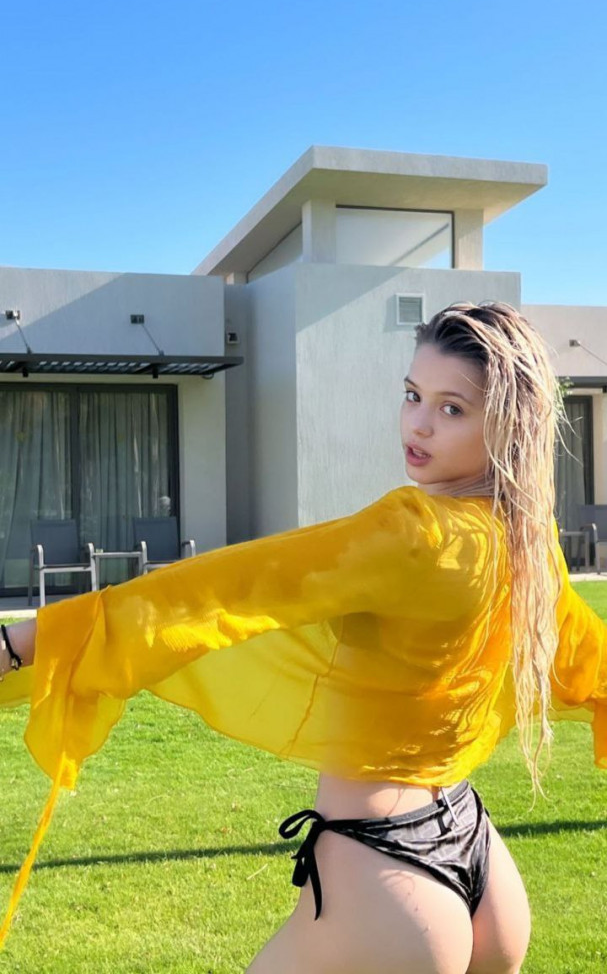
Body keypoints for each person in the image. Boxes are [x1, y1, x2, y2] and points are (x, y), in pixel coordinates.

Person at [1, 300, 606, 974]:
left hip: (384, 877)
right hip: (480, 865)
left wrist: (19, 645)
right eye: (412, 394)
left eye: (451, 408)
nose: (417, 423)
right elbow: (588, 655)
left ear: (508, 425)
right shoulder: (527, 536)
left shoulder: (416, 533)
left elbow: (224, 590)